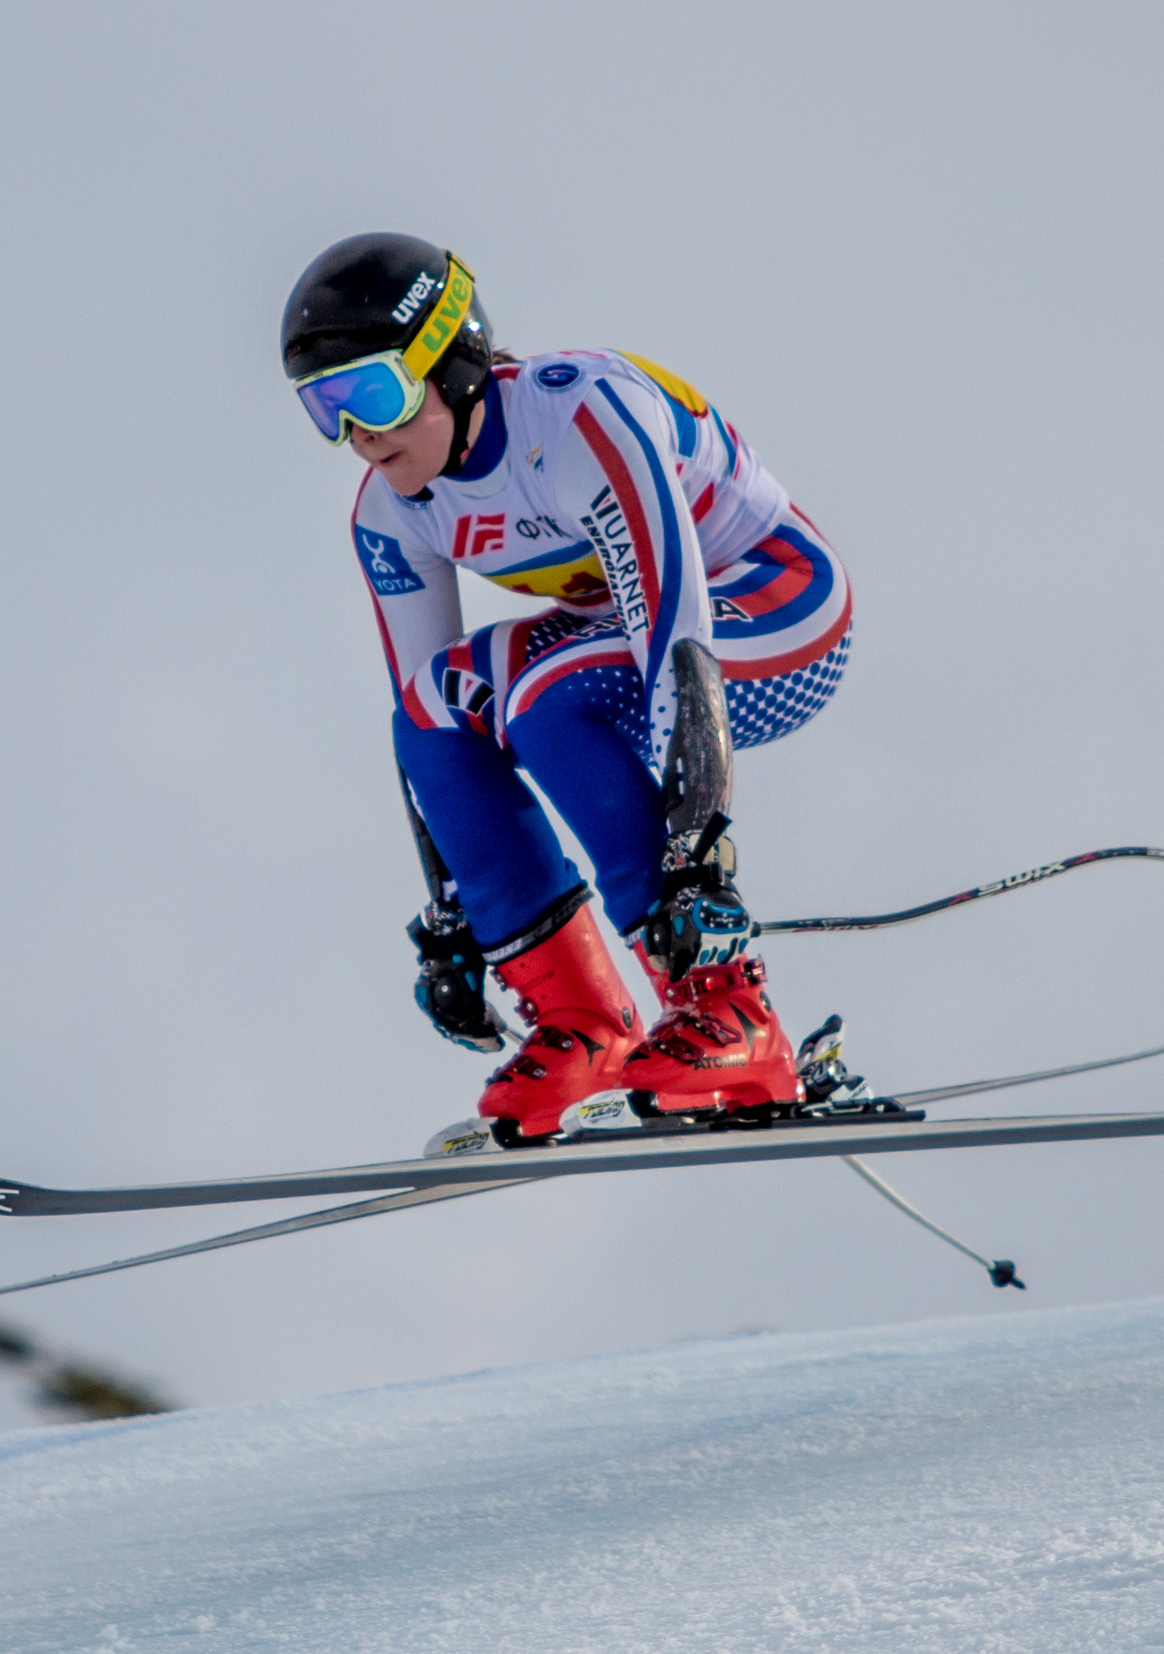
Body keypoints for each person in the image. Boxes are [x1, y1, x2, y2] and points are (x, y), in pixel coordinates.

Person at [282, 233, 853, 1139]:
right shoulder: (391, 515)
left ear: (452, 363)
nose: (359, 435)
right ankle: (583, 1018)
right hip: (614, 643)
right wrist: (460, 914)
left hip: (776, 614)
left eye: (374, 394)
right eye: (325, 409)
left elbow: (674, 631)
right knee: (436, 708)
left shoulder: (579, 420)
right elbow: (428, 720)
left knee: (550, 698)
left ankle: (731, 1010)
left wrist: (694, 869)